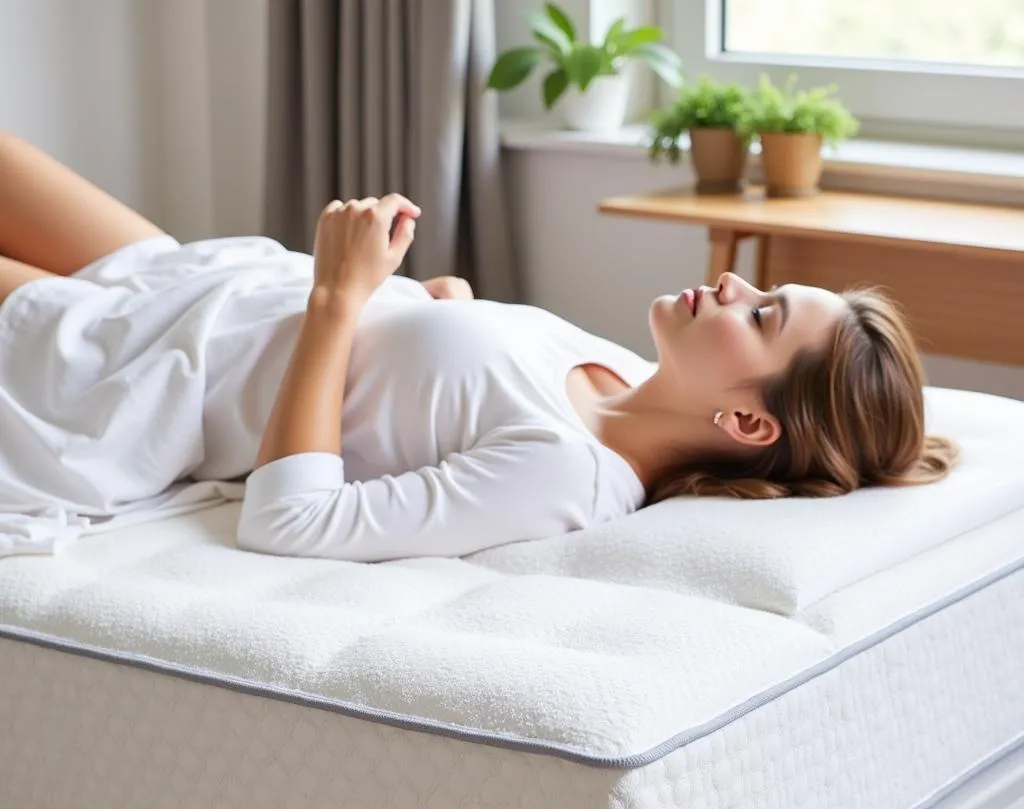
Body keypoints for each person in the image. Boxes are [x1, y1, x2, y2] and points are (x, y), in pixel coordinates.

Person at [0, 131, 957, 562]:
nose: (736, 286)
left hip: (140, 372)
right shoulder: (622, 375)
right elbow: (447, 383)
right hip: (215, 286)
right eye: (763, 288)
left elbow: (291, 523)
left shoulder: (568, 479)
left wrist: (341, 299)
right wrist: (439, 299)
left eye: (760, 317)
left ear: (747, 419)